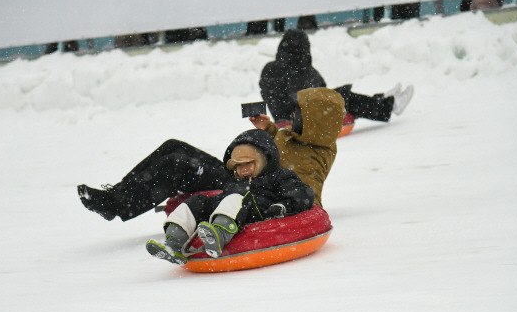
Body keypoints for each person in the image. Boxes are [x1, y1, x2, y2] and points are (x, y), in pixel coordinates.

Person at [77, 87, 345, 221]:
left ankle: (117, 205)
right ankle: (117, 195)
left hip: (250, 185)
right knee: (174, 147)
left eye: (298, 114)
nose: (292, 116)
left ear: (314, 122)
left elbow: (307, 195)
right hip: (244, 170)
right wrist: (269, 129)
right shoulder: (298, 136)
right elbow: (282, 150)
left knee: (177, 164)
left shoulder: (315, 155)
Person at [145, 128, 315, 265]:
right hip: (233, 207)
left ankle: (219, 236)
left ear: (264, 160)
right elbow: (225, 199)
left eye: (249, 163)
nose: (243, 169)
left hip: (260, 208)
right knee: (197, 202)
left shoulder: (279, 176)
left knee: (237, 198)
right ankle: (174, 242)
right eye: (238, 166)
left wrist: (283, 206)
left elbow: (302, 192)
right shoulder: (234, 182)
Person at [259, 29, 413, 125]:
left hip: (288, 116)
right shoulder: (301, 70)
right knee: (343, 98)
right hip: (300, 120)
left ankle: (381, 100)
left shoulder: (270, 68)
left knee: (340, 97)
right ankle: (390, 106)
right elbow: (314, 92)